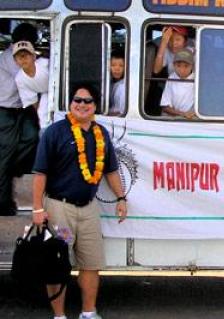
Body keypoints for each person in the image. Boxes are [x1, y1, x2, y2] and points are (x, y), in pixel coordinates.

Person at [32, 83, 128, 319]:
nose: (81, 105)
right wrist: (37, 208)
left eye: (87, 101)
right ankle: (59, 315)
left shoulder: (101, 134)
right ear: (70, 103)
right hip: (58, 208)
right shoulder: (55, 132)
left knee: (91, 263)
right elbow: (40, 173)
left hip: (88, 209)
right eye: (77, 100)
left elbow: (111, 170)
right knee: (57, 263)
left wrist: (121, 197)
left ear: (95, 106)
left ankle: (88, 312)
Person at [0, 22, 40, 216]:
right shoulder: (10, 57)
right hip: (4, 111)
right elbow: (29, 76)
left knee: (32, 137)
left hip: (20, 109)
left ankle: (15, 168)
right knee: (4, 156)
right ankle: (2, 203)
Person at [12, 40, 50, 130]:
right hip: (46, 94)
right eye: (19, 56)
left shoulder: (45, 63)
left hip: (62, 89)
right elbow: (33, 101)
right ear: (15, 61)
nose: (23, 58)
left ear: (34, 56)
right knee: (42, 115)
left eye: (26, 55)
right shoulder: (19, 79)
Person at [160, 49, 196, 119]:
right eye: (178, 66)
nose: (182, 70)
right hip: (174, 118)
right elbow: (165, 107)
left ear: (192, 66)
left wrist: (191, 114)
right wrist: (183, 114)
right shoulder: (171, 78)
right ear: (173, 65)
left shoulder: (196, 79)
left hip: (192, 118)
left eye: (186, 66)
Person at [109, 49, 125, 115]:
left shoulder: (123, 87)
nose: (117, 69)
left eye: (121, 66)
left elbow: (120, 112)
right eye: (113, 65)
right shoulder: (109, 83)